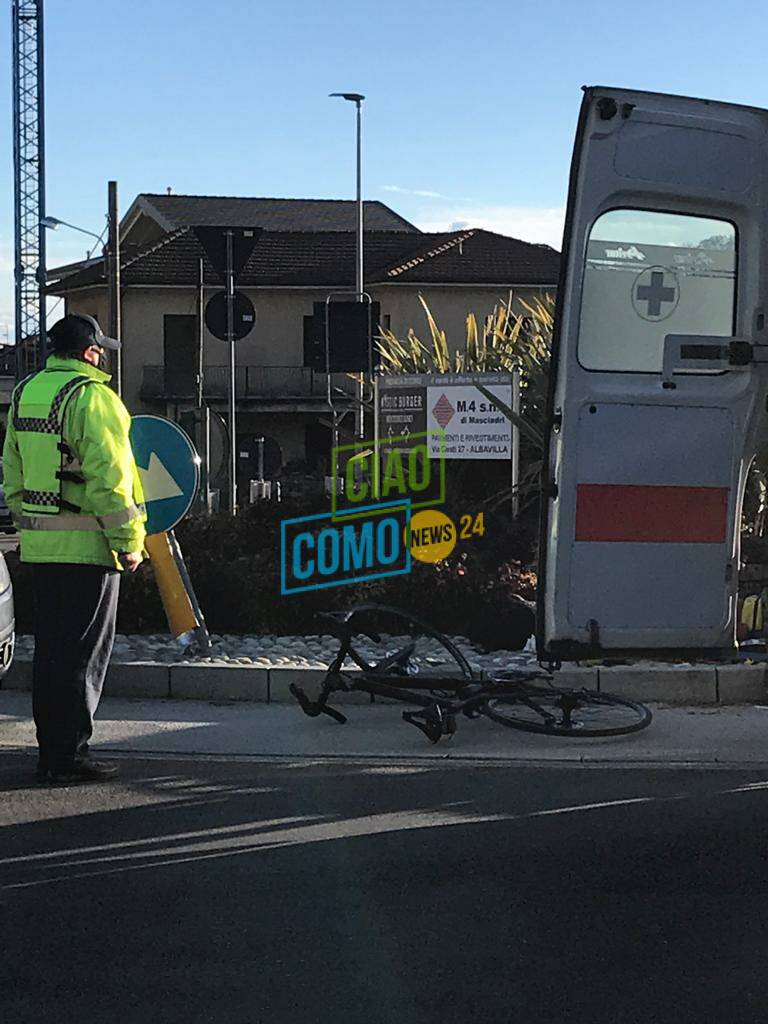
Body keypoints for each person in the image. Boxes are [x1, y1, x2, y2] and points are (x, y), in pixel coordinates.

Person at [3, 313, 146, 784]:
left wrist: (33, 528)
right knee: (82, 656)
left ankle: (52, 752)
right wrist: (128, 543)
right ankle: (69, 756)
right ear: (89, 352)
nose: (103, 356)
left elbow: (13, 473)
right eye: (100, 349)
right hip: (88, 552)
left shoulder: (26, 393)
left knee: (50, 654)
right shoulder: (93, 398)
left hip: (42, 552)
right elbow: (112, 480)